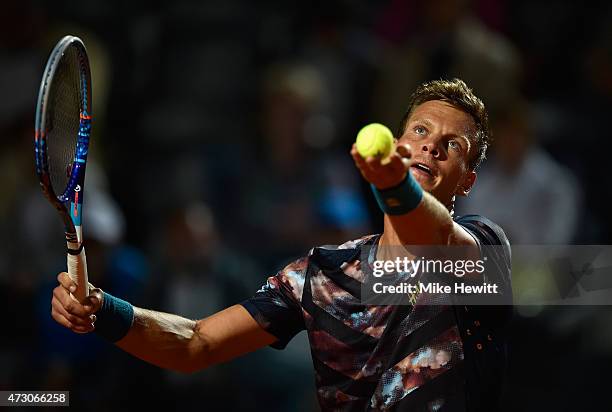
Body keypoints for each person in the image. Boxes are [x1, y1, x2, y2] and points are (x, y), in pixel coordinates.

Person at [51, 78, 511, 411]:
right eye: (421, 131)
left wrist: (394, 186)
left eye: (452, 145)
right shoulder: (322, 275)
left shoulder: (484, 248)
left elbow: (435, 239)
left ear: (467, 180)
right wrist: (102, 311)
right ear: (398, 142)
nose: (432, 146)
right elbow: (196, 344)